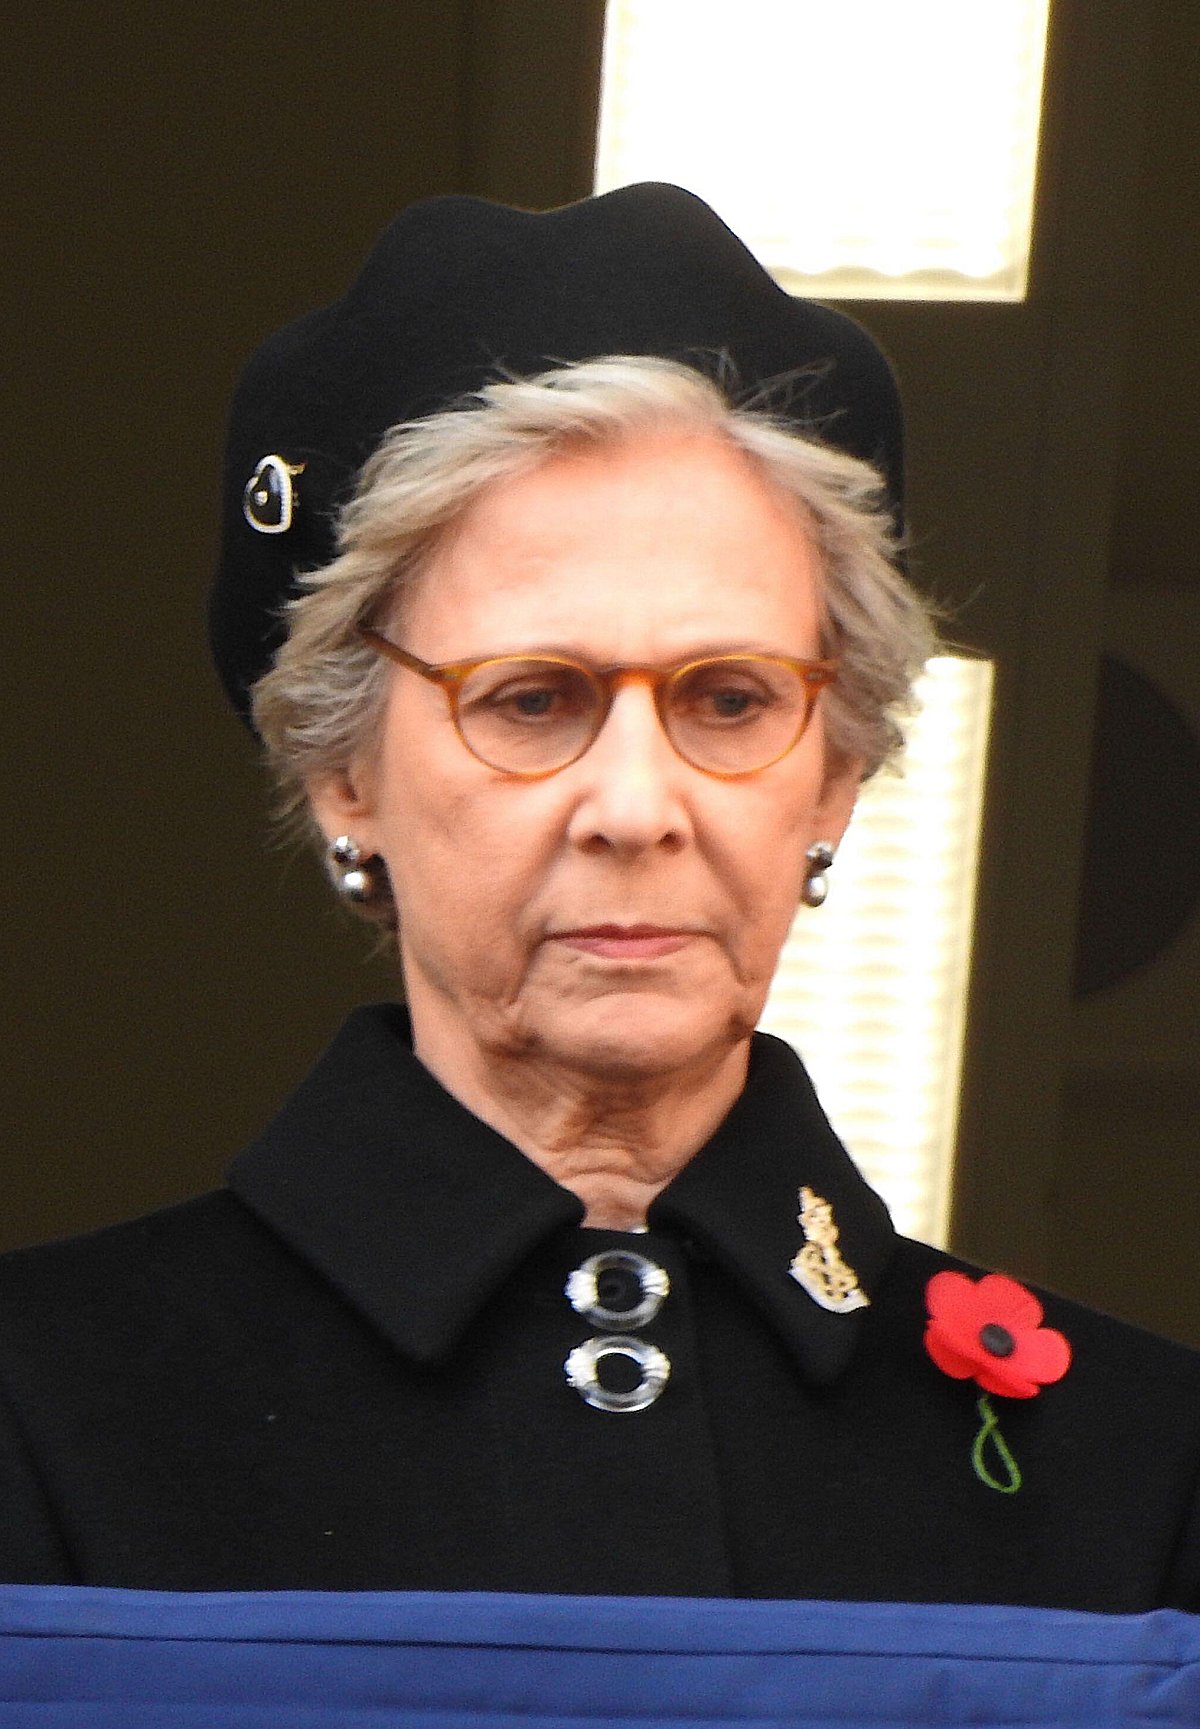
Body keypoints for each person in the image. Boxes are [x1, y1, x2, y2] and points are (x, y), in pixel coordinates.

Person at [2, 184, 1199, 1605]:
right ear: (344, 773)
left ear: (831, 778)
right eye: (530, 699)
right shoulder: (40, 1414)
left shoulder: (1151, 1472)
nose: (637, 806)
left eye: (732, 697)